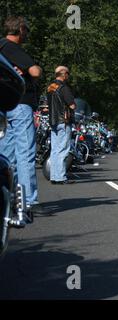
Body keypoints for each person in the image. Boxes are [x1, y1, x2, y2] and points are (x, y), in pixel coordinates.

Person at [0, 16, 43, 212]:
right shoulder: (12, 47)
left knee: (6, 153)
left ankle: (6, 196)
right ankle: (27, 200)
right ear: (20, 30)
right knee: (25, 152)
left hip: (3, 106)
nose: (26, 35)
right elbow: (35, 72)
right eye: (26, 31)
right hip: (20, 103)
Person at [47, 66, 76, 185]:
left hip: (53, 121)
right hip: (63, 121)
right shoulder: (64, 88)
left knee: (55, 150)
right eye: (67, 73)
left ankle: (54, 176)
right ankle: (60, 177)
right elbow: (72, 105)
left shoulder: (50, 87)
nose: (68, 76)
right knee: (63, 150)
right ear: (63, 74)